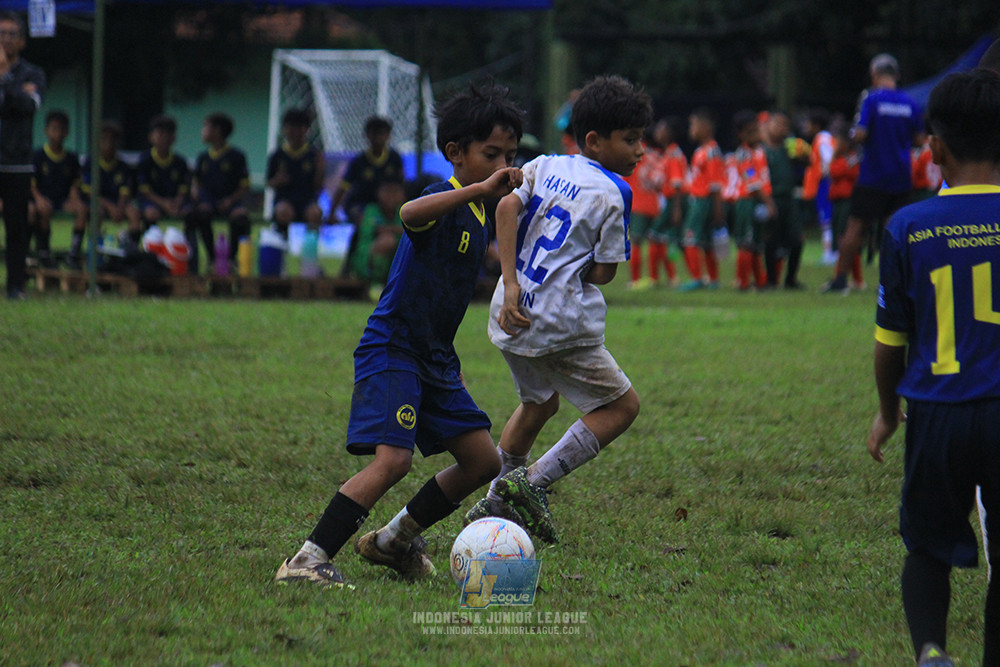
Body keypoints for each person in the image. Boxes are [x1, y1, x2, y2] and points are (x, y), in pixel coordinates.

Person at [275, 82, 524, 587]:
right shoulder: (445, 196)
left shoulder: (483, 211)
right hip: (394, 347)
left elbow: (503, 254)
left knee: (483, 460)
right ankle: (305, 560)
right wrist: (479, 187)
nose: (503, 165)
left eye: (511, 156)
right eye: (491, 154)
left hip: (435, 357)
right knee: (394, 460)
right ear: (456, 153)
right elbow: (408, 214)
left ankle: (392, 540)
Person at [464, 75, 649, 544]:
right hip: (559, 323)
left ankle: (495, 502)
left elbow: (505, 207)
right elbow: (605, 272)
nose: (640, 151)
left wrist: (510, 283)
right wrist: (575, 272)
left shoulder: (544, 164)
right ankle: (528, 483)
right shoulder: (613, 192)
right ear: (594, 140)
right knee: (621, 407)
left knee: (540, 402)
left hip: (510, 312)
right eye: (630, 140)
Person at [867, 68, 1000, 667]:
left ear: (936, 147)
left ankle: (931, 651)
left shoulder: (908, 227)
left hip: (936, 414)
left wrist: (885, 410)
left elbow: (889, 341)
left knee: (925, 547)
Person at [822, 53, 923, 294]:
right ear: (897, 75)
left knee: (855, 228)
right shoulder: (911, 103)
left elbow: (861, 134)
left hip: (873, 175)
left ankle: (840, 281)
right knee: (896, 230)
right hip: (901, 175)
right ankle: (899, 283)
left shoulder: (871, 98)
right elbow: (919, 139)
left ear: (874, 74)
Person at [0, 11, 45, 299]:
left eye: (11, 34)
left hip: (16, 162)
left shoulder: (33, 74)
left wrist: (5, 78)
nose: (5, 39)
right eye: (0, 33)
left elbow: (27, 108)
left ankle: (16, 286)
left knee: (16, 225)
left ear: (23, 41)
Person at [185, 111, 250, 274]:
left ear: (218, 131)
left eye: (206, 127)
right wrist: (196, 195)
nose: (203, 131)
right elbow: (196, 183)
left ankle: (232, 259)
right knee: (202, 213)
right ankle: (212, 259)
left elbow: (244, 186)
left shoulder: (237, 156)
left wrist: (230, 200)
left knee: (240, 217)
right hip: (209, 201)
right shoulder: (203, 157)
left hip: (230, 201)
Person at [67, 120, 133, 269]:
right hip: (98, 202)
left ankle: (131, 255)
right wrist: (111, 207)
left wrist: (120, 207)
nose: (108, 144)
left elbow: (125, 191)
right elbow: (90, 192)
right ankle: (87, 255)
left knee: (134, 213)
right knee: (98, 213)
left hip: (117, 203)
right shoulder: (90, 163)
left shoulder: (122, 166)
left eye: (112, 140)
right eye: (104, 139)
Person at [678, 107, 724, 291]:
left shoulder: (711, 152)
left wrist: (718, 208)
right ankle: (713, 280)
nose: (691, 129)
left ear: (705, 127)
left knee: (690, 238)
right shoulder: (703, 150)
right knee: (706, 241)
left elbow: (715, 183)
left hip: (703, 201)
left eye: (693, 125)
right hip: (700, 200)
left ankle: (697, 278)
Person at [30, 109, 82, 268]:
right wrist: (39, 199)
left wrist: (75, 200)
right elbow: (31, 184)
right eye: (54, 129)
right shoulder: (37, 156)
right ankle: (44, 252)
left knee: (82, 209)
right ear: (46, 131)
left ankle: (74, 253)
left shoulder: (72, 158)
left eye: (61, 129)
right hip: (43, 198)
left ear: (67, 132)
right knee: (43, 208)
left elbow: (75, 184)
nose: (57, 133)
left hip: (63, 199)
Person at [730, 110, 775, 292]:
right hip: (747, 202)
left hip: (759, 202)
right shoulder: (743, 154)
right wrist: (770, 203)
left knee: (757, 244)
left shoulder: (760, 152)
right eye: (750, 132)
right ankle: (742, 282)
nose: (755, 135)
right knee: (746, 242)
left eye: (756, 131)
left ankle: (760, 282)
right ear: (741, 135)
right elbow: (753, 182)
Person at [128, 114, 191, 240]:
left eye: (168, 134)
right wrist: (164, 204)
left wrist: (177, 203)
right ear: (151, 137)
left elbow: (183, 188)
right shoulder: (144, 160)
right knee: (151, 213)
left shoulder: (180, 162)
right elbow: (145, 190)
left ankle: (188, 248)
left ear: (174, 138)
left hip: (173, 201)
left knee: (191, 213)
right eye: (160, 134)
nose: (164, 138)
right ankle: (149, 247)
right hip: (152, 201)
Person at [331, 115, 404, 225]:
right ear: (367, 136)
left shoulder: (394, 158)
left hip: (384, 205)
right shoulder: (359, 161)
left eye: (382, 133)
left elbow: (400, 186)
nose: (378, 138)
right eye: (375, 134)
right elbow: (343, 187)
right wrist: (332, 212)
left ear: (388, 136)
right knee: (363, 218)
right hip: (360, 203)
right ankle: (362, 241)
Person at [266, 108, 324, 237]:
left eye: (298, 128)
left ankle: (309, 252)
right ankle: (281, 245)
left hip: (307, 201)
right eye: (289, 127)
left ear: (305, 130)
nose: (293, 132)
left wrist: (320, 170)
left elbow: (317, 186)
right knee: (283, 211)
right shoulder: (277, 155)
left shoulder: (314, 155)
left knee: (315, 213)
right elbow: (269, 182)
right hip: (284, 200)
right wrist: (277, 181)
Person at [346, 179, 406, 293]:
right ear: (379, 193)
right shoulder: (371, 210)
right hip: (366, 258)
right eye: (387, 191)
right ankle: (377, 284)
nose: (391, 196)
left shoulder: (405, 210)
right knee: (387, 242)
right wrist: (397, 230)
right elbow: (376, 230)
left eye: (395, 191)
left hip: (398, 257)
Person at [622, 124, 663, 290]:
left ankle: (636, 279)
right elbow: (660, 180)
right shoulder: (655, 155)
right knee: (656, 240)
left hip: (637, 203)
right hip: (654, 204)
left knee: (636, 242)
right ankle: (654, 277)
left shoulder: (632, 154)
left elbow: (624, 178)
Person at [648, 116, 686, 288]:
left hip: (673, 201)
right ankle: (670, 277)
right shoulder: (666, 154)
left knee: (655, 235)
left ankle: (656, 278)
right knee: (664, 238)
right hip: (668, 200)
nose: (658, 132)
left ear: (669, 134)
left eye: (661, 129)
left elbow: (677, 184)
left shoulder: (673, 154)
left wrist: (677, 209)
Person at [827, 124, 862, 288]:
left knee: (846, 239)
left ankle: (852, 279)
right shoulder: (841, 158)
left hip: (848, 202)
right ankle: (851, 279)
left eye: (838, 141)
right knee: (841, 238)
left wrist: (835, 159)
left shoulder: (852, 158)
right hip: (838, 203)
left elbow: (836, 171)